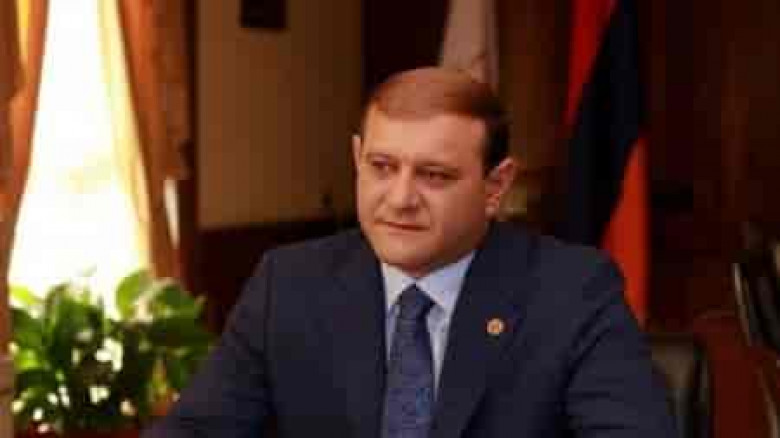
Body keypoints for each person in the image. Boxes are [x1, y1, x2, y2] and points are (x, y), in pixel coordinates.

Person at [144, 67, 675, 437]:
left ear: (495, 186)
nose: (399, 198)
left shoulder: (572, 292)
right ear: (357, 158)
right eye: (382, 167)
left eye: (434, 175)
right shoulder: (289, 284)